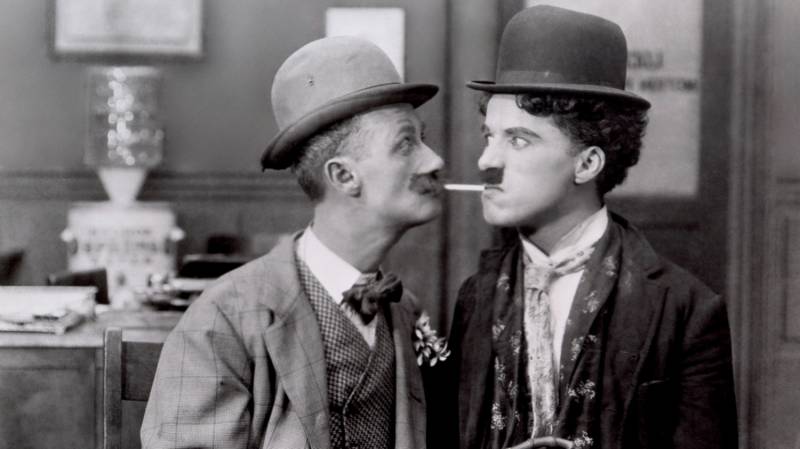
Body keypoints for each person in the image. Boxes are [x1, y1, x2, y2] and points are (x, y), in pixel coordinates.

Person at [439, 5, 737, 449]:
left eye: (518, 140)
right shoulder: (476, 297)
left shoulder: (686, 310)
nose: (487, 161)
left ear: (587, 163)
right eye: (489, 136)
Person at [141, 36, 443, 449]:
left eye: (423, 139)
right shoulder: (222, 320)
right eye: (406, 143)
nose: (435, 160)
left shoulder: (405, 311)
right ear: (343, 176)